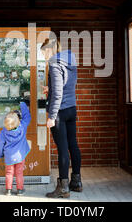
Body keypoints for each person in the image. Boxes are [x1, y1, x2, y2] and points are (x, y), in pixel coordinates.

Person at [41, 37, 82, 198]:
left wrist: (52, 116)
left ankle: (63, 188)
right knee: (73, 145)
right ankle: (76, 183)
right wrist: (49, 89)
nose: (44, 57)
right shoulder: (69, 61)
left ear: (49, 50)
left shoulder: (54, 63)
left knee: (63, 149)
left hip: (60, 111)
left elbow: (58, 93)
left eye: (44, 53)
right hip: (71, 108)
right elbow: (65, 86)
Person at [0, 101, 31, 196]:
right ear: (18, 120)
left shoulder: (3, 132)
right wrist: (22, 104)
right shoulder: (22, 127)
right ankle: (20, 190)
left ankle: (8, 190)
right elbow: (27, 116)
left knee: (9, 173)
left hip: (8, 156)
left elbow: (0, 145)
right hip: (20, 156)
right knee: (19, 173)